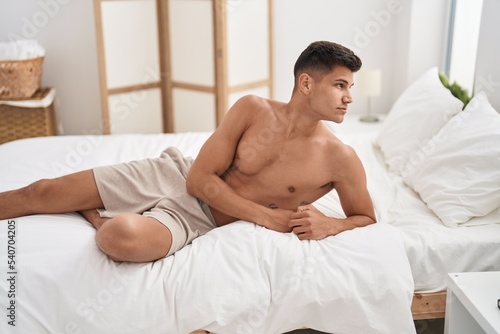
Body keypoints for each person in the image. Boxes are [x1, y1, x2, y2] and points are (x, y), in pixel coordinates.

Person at [0, 41, 376, 262]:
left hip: (200, 219)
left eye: (350, 86)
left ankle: (99, 218)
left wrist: (334, 224)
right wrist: (267, 217)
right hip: (175, 174)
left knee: (117, 239)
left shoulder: (340, 158)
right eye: (340, 85)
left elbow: (366, 217)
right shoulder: (252, 109)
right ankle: (106, 205)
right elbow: (197, 179)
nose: (349, 97)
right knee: (42, 192)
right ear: (306, 83)